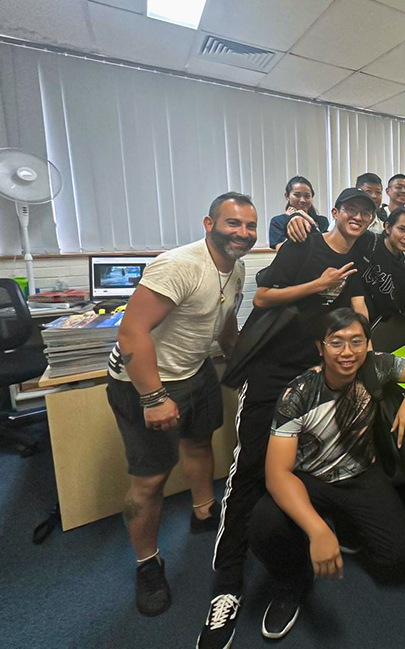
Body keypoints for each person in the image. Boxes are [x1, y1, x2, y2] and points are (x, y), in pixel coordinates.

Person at [198, 188, 376, 649]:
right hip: (273, 374)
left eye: (366, 212)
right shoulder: (303, 241)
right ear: (333, 213)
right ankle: (227, 586)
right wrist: (318, 284)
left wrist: (365, 346)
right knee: (251, 472)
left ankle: (290, 577)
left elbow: (356, 311)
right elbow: (263, 298)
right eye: (350, 210)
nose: (357, 217)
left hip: (317, 377)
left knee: (300, 474)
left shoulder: (356, 261)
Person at [106, 192, 256, 617]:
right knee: (150, 481)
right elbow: (131, 332)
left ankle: (203, 511)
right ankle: (147, 564)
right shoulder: (179, 265)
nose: (242, 234)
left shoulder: (237, 267)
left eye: (249, 226)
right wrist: (153, 398)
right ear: (209, 225)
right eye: (233, 224)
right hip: (146, 384)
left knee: (198, 443)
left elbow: (224, 322)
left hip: (196, 372)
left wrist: (243, 361)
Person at [249, 308, 405, 641]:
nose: (348, 352)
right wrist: (317, 530)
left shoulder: (374, 366)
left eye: (356, 341)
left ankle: (347, 524)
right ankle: (290, 583)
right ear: (320, 348)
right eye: (336, 343)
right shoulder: (297, 395)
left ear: (368, 345)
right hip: (310, 480)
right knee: (264, 522)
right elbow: (277, 475)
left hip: (360, 475)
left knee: (397, 562)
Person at [360, 208, 405, 324]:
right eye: (402, 229)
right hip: (350, 322)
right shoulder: (367, 242)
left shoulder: (403, 269)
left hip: (380, 330)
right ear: (388, 227)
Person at [269, 177, 328, 249]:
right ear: (287, 196)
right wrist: (291, 218)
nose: (302, 200)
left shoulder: (322, 221)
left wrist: (309, 220)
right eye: (297, 195)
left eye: (307, 196)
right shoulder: (278, 222)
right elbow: (281, 251)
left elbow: (324, 247)